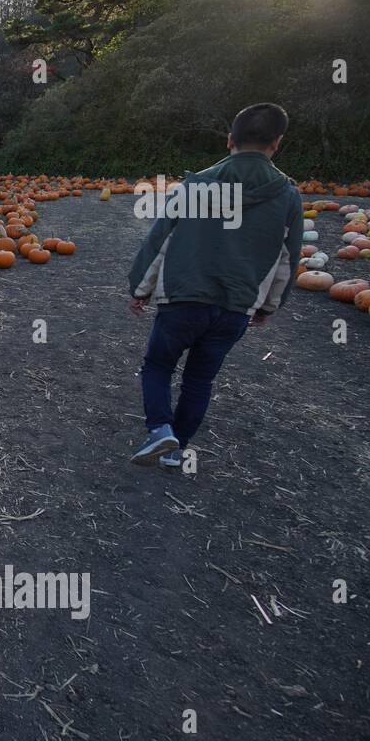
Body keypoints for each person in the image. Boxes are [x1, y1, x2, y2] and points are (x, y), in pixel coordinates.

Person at [127, 102, 304, 467]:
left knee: (158, 365)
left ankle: (161, 430)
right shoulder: (287, 196)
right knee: (199, 380)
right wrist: (269, 305)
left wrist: (140, 288)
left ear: (229, 141)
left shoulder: (194, 187)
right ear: (276, 143)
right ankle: (175, 452)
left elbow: (159, 242)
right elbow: (288, 259)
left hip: (183, 298)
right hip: (236, 307)